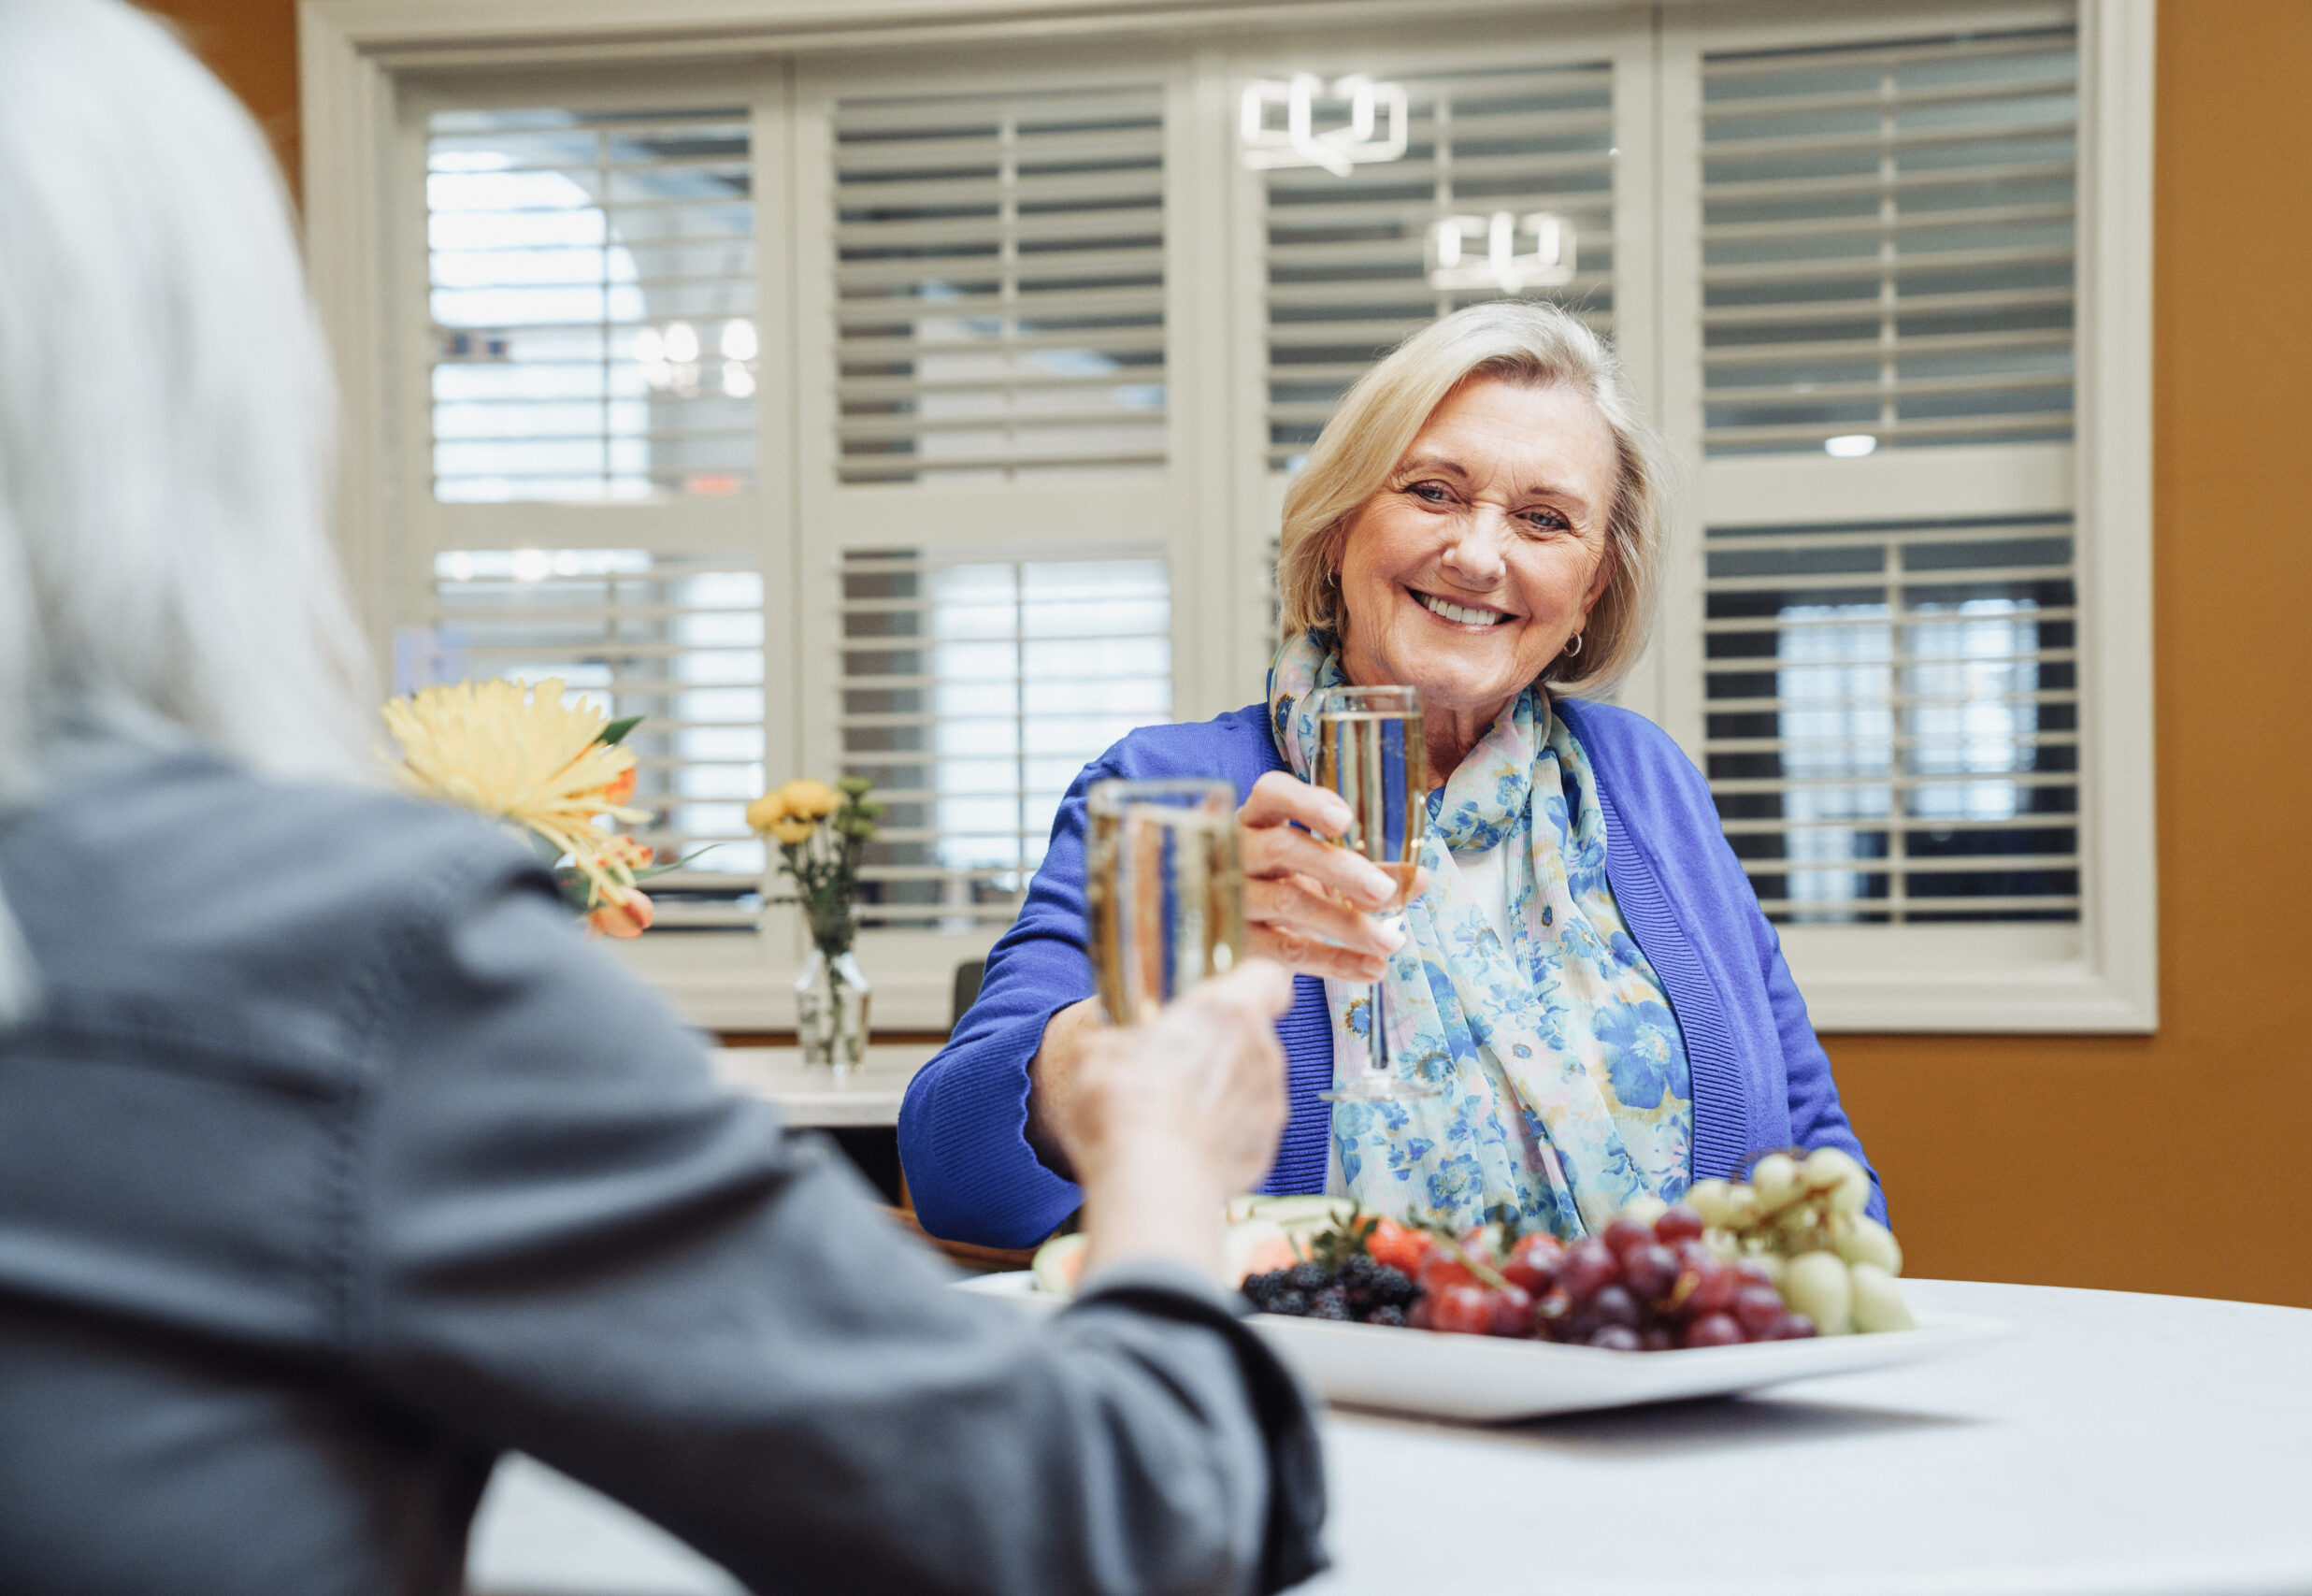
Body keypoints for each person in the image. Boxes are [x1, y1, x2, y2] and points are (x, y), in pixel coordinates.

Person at [0, 4, 1326, 1592]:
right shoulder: (350, 956)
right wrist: (1166, 1154)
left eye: (1548, 514)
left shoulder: (1640, 797)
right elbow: (1111, 1517)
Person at [901, 299, 1886, 1251]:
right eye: (1431, 493)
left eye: (1544, 520)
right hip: (1303, 1395)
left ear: (1590, 589)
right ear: (1337, 534)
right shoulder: (1171, 787)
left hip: (1648, 1390)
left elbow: (1815, 1159)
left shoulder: (1646, 781)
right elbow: (953, 1170)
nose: (1477, 555)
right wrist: (1172, 979)